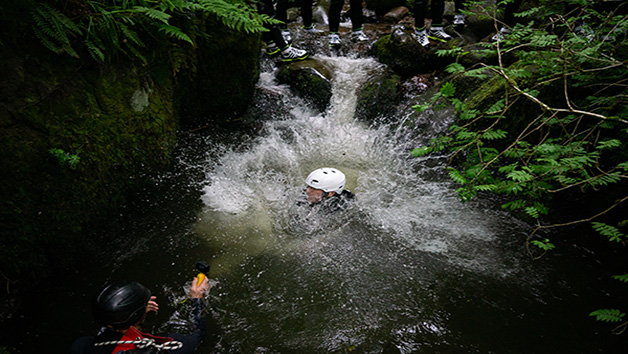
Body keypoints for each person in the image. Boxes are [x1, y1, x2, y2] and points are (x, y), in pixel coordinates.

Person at [70, 276, 210, 354]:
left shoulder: (81, 346)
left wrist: (138, 311)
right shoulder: (169, 346)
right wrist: (197, 298)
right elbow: (197, 334)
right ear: (137, 315)